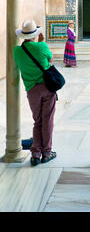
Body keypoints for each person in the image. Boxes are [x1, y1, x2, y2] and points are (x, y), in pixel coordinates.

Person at [13, 20, 57, 167]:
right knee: (47, 121)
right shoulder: (42, 46)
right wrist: (42, 42)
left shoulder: (17, 51)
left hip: (32, 91)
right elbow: (50, 59)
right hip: (47, 88)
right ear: (35, 34)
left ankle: (35, 154)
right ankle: (47, 153)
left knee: (37, 121)